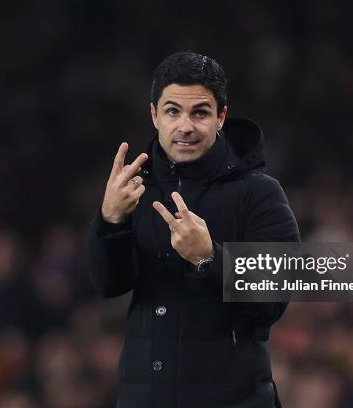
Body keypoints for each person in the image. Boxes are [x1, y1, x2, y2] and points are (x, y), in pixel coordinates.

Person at [88, 51, 299, 408]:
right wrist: (111, 221)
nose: (185, 125)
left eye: (199, 112)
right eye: (173, 111)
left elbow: (272, 301)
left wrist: (209, 259)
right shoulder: (135, 189)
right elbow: (109, 284)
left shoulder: (258, 192)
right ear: (155, 115)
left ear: (221, 117)